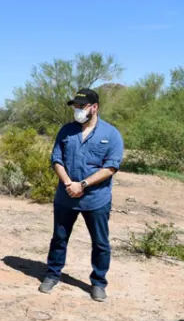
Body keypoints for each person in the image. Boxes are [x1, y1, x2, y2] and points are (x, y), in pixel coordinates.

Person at [39, 88, 124, 302]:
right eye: (75, 106)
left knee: (100, 243)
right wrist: (69, 183)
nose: (77, 110)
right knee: (59, 238)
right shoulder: (66, 131)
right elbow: (56, 159)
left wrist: (83, 184)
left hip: (96, 199)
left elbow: (111, 167)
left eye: (81, 106)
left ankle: (98, 282)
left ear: (94, 107)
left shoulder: (111, 134)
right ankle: (52, 274)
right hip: (65, 196)